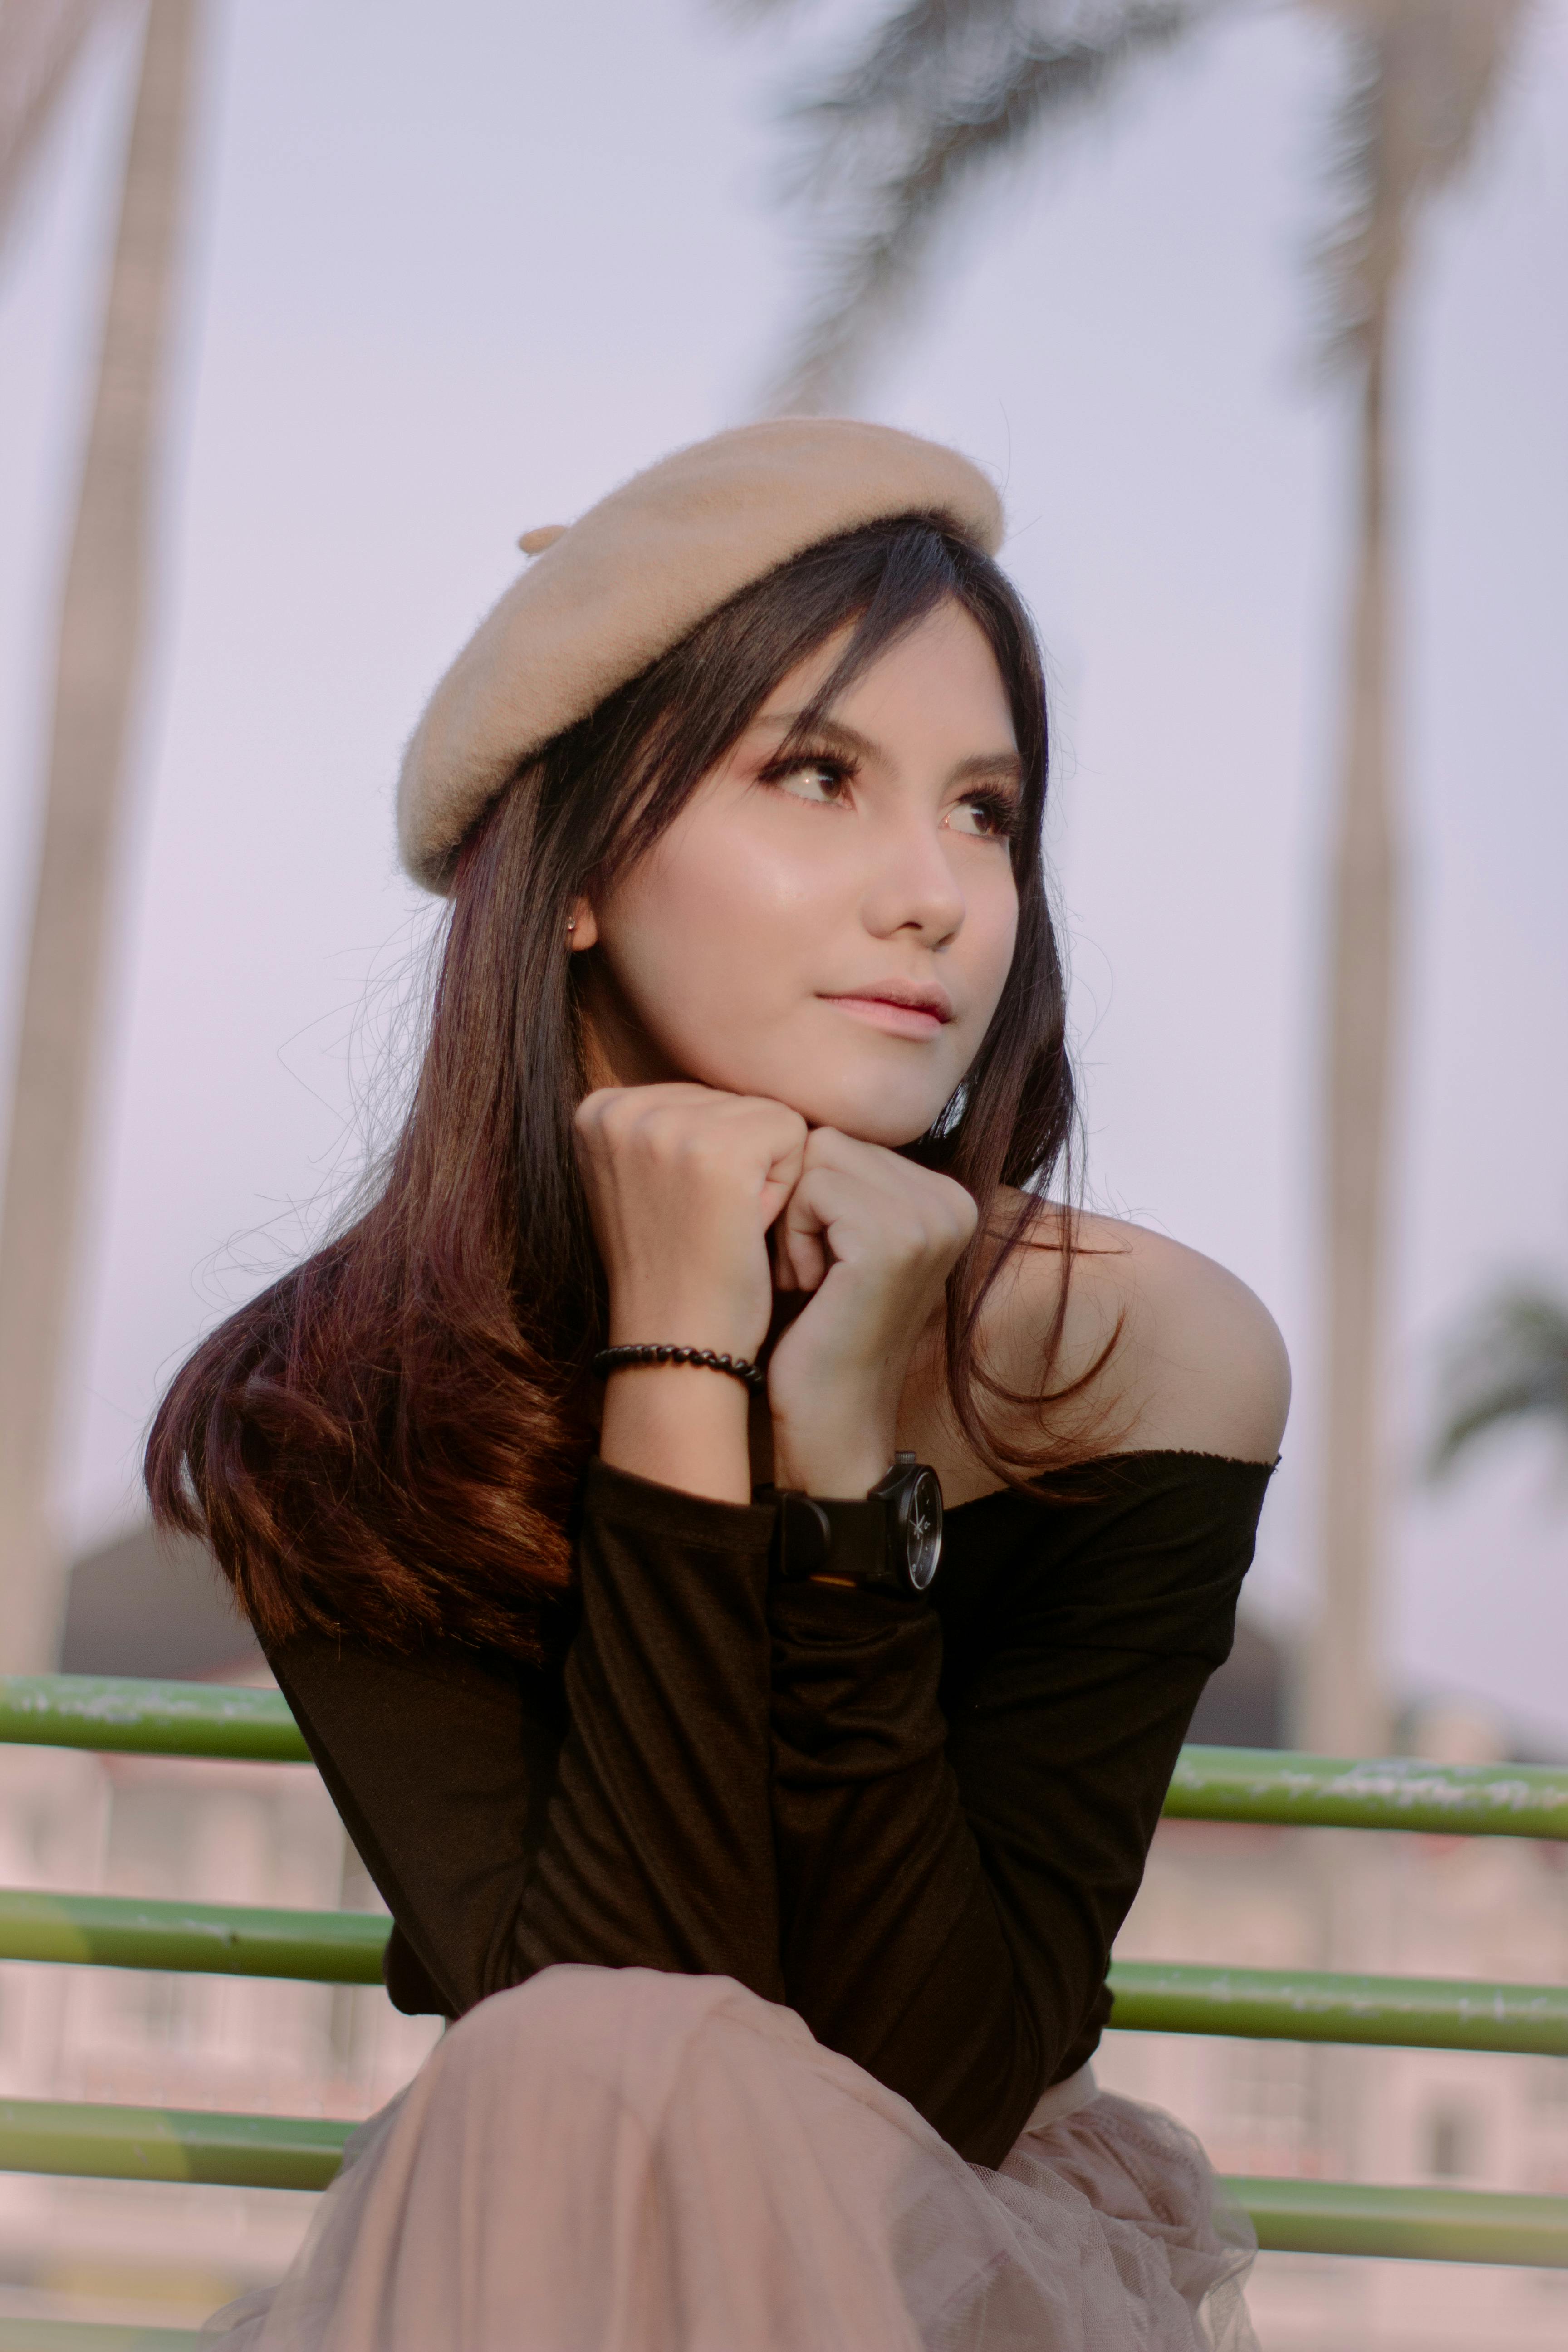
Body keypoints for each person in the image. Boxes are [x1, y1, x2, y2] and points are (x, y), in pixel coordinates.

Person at [147, 419, 1289, 2351]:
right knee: (581, 2062)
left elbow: (941, 2077)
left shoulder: (1135, 1353)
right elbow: (599, 2031)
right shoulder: (342, 1406)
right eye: (821, 777)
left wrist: (845, 1464)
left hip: (970, 2276)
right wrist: (682, 1353)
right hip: (545, 2230)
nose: (935, 893)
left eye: (989, 809)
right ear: (577, 865)